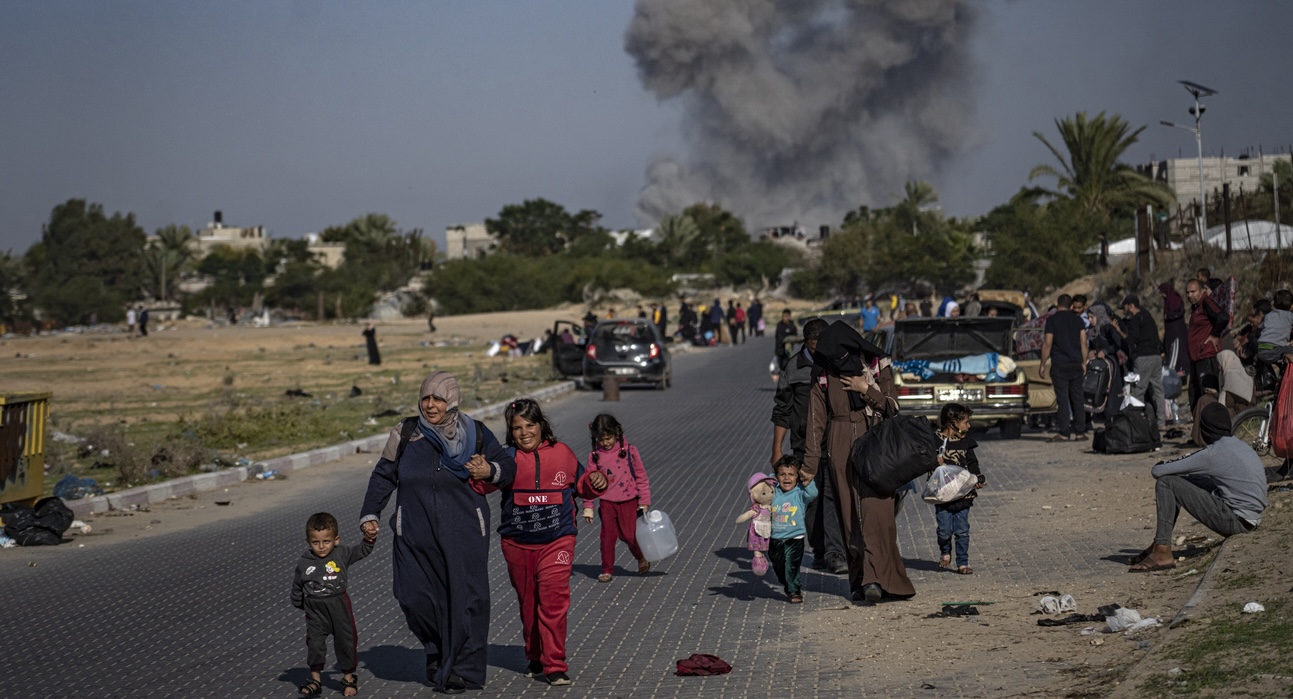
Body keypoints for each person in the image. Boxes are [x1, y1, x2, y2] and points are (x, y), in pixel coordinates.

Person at [360, 372, 516, 694]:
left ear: (452, 401)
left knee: (466, 601)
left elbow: (506, 467)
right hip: (413, 531)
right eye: (426, 398)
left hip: (465, 532)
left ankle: (464, 669)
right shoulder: (406, 432)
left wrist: (490, 470)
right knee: (413, 596)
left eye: (439, 399)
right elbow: (384, 474)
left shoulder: (475, 434)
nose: (431, 405)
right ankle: (438, 650)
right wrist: (370, 513)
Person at [468, 398, 607, 687]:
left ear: (541, 426)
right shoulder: (506, 459)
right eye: (516, 427)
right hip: (517, 545)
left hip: (558, 541)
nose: (524, 432)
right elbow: (483, 484)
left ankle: (554, 664)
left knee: (553, 602)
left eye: (530, 425)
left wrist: (596, 480)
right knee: (529, 604)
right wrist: (479, 471)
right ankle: (534, 654)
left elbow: (582, 485)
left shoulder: (563, 453)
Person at [803, 320, 912, 604]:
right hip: (838, 444)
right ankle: (862, 580)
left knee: (878, 514)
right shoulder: (823, 373)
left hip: (874, 443)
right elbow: (815, 421)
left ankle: (883, 579)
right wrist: (810, 464)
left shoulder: (876, 364)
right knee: (850, 516)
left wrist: (866, 388)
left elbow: (893, 407)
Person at [1128, 402, 1267, 572]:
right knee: (1189, 479)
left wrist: (1165, 463)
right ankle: (1159, 542)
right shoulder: (1239, 444)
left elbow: (1158, 471)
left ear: (1205, 429)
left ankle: (1162, 551)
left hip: (1236, 522)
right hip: (1252, 518)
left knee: (1166, 483)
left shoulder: (1212, 453)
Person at [770, 318, 846, 574]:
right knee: (812, 499)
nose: (819, 350)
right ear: (806, 343)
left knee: (833, 495)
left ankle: (836, 552)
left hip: (834, 441)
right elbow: (782, 411)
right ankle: (821, 551)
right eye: (815, 346)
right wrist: (777, 450)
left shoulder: (836, 362)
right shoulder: (794, 368)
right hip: (803, 446)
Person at [292, 512, 375, 698]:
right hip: (315, 610)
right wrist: (299, 603)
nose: (321, 547)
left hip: (339, 606)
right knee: (314, 644)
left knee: (345, 641)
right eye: (315, 542)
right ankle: (315, 680)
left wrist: (370, 539)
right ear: (308, 542)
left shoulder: (342, 553)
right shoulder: (305, 562)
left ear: (336, 540)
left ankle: (348, 678)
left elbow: (362, 550)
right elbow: (297, 585)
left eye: (326, 541)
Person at [582, 413, 652, 583]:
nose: (605, 443)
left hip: (629, 501)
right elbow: (588, 483)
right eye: (601, 439)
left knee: (629, 535)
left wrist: (644, 500)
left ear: (617, 433)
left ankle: (641, 557)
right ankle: (606, 569)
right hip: (607, 503)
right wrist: (588, 507)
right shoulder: (594, 456)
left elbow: (641, 476)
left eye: (609, 438)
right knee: (607, 537)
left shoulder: (629, 451)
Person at [932, 404, 986, 576]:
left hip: (964, 494)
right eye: (965, 422)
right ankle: (945, 551)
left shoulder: (966, 443)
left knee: (962, 530)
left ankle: (963, 562)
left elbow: (972, 464)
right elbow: (922, 461)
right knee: (944, 530)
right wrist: (935, 462)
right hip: (943, 495)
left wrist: (978, 477)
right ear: (953, 422)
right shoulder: (935, 441)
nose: (968, 426)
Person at [1111, 294, 1165, 431]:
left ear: (1130, 306)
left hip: (1143, 358)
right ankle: (1161, 422)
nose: (1123, 311)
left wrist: (1119, 331)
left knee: (1138, 392)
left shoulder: (1135, 320)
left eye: (1124, 308)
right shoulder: (1149, 317)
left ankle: (1137, 424)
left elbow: (1130, 341)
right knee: (1158, 390)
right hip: (1156, 357)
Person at [768, 455, 818, 604]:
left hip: (795, 538)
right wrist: (772, 477)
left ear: (797, 476)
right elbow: (763, 486)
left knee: (792, 566)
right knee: (778, 566)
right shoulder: (773, 492)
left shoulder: (800, 493)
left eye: (791, 474)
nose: (787, 478)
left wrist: (805, 478)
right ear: (777, 476)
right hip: (775, 538)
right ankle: (786, 582)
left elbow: (813, 493)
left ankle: (794, 591)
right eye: (782, 474)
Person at [1040, 294, 1088, 442]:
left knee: (1062, 400)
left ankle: (1064, 432)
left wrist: (1042, 364)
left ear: (1057, 304)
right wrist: (1084, 362)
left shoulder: (1052, 320)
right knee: (1078, 398)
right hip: (1075, 364)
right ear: (1071, 305)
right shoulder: (1078, 320)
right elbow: (1083, 343)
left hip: (1060, 365)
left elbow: (1048, 344)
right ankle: (1080, 432)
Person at [1185, 279, 1228, 416]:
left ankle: (1212, 431)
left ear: (1201, 290)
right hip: (1197, 358)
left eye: (1193, 291)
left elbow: (1223, 317)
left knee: (1208, 395)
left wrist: (1214, 335)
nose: (1190, 295)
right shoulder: (1196, 307)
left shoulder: (1206, 302)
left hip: (1206, 357)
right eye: (1187, 292)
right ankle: (1199, 433)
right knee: (1194, 395)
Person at [1158, 282, 1189, 376]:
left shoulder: (1175, 300)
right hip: (1170, 332)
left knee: (1179, 354)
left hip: (1177, 331)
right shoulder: (1167, 302)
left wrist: (1170, 317)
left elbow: (1180, 312)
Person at [1255, 289, 1293, 364]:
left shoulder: (1269, 315)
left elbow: (1259, 330)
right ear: (1291, 305)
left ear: (1274, 305)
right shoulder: (1290, 316)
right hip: (1275, 350)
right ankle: (1286, 358)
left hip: (1261, 349)